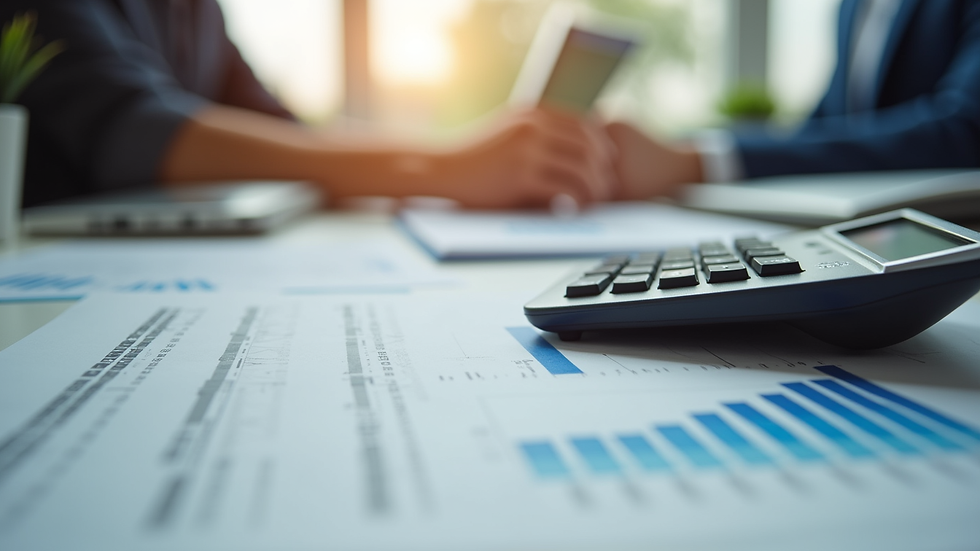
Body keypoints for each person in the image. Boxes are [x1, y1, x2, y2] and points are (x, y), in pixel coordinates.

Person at [5, 0, 616, 210]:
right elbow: (137, 132)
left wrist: (487, 157)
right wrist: (442, 166)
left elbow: (289, 135)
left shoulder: (195, 9)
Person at [605, 0, 980, 201]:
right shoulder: (850, 8)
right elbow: (822, 129)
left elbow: (965, 131)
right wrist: (678, 146)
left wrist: (697, 161)